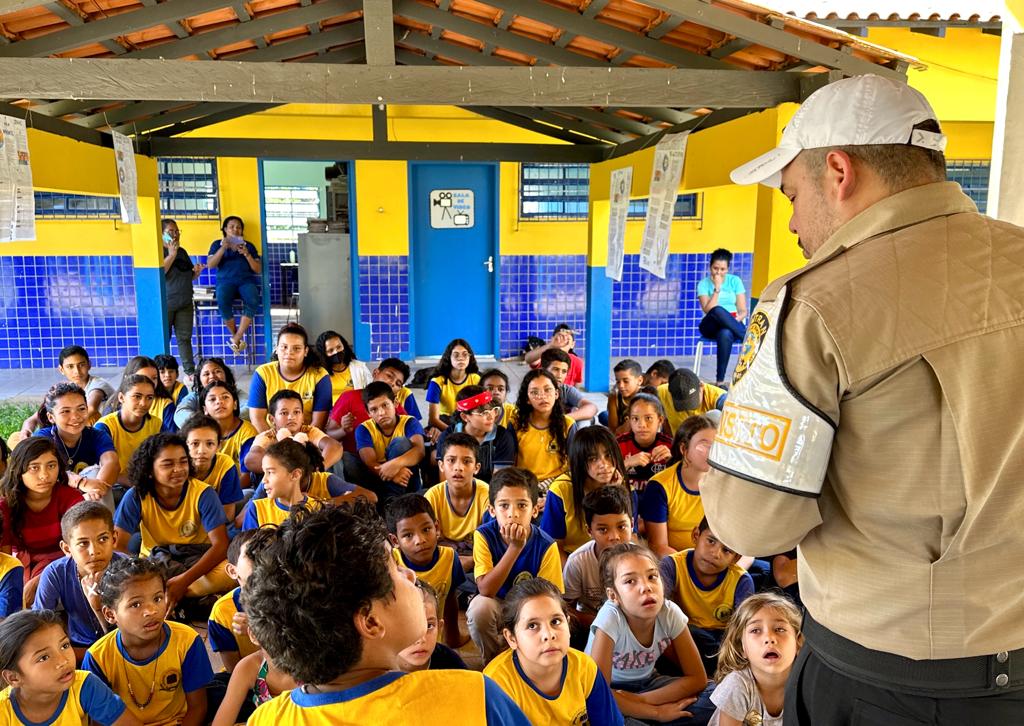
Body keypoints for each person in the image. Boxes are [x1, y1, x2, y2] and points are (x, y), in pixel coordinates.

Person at [704, 74, 1024, 722]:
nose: (792, 221)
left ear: (839, 172)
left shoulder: (814, 304)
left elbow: (749, 522)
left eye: (793, 195)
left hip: (882, 681)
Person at [242, 502, 530, 724]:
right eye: (395, 570)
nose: (411, 576)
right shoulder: (473, 695)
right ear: (370, 621)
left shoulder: (267, 719)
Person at [586, 542, 714, 725]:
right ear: (613, 595)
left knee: (716, 696)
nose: (646, 587)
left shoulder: (669, 612)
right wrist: (656, 713)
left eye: (652, 576)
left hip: (649, 686)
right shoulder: (610, 618)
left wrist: (643, 701)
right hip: (611, 692)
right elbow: (598, 694)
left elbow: (697, 678)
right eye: (630, 581)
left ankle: (645, 716)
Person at [83, 557, 213, 725]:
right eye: (136, 604)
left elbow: (197, 707)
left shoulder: (186, 641)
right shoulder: (97, 658)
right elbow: (99, 720)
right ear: (110, 614)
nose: (151, 611)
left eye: (158, 598)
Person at [485, 577, 624, 725]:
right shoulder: (496, 685)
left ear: (568, 624)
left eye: (556, 621)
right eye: (532, 626)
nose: (548, 634)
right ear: (511, 638)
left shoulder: (584, 668)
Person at [113, 434, 231, 607]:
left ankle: (164, 596)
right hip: (155, 564)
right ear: (149, 470)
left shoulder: (204, 493)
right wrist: (148, 574)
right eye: (168, 464)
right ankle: (190, 599)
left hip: (197, 561)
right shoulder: (136, 495)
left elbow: (220, 545)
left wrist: (184, 580)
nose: (178, 469)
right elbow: (118, 546)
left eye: (183, 461)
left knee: (232, 570)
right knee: (123, 576)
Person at [469, 468, 564, 664]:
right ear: (492, 511)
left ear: (535, 510)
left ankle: (526, 658)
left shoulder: (546, 545)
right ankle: (493, 660)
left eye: (522, 505)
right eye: (504, 506)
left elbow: (549, 599)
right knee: (480, 607)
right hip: (498, 605)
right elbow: (486, 589)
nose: (513, 514)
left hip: (532, 611)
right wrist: (514, 548)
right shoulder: (484, 536)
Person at [0, 609, 136, 726]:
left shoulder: (83, 686)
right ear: (13, 677)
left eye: (64, 646)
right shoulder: (3, 711)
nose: (63, 661)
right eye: (44, 657)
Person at [661, 517, 754, 676]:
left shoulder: (742, 581)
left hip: (720, 644)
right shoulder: (672, 565)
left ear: (736, 558)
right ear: (696, 535)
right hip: (682, 635)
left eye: (727, 550)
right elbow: (661, 615)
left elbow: (741, 631)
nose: (715, 553)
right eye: (711, 541)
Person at [33, 502, 125, 659]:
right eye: (83, 543)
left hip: (124, 648)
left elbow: (134, 633)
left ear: (114, 539)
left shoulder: (127, 570)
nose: (94, 551)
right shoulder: (56, 573)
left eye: (102, 539)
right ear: (67, 549)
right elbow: (39, 624)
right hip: (78, 651)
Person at [0, 438, 82, 608]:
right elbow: (5, 556)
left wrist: (40, 580)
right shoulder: (5, 506)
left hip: (68, 561)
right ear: (19, 471)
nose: (44, 475)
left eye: (51, 466)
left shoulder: (71, 499)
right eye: (34, 468)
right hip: (22, 565)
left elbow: (81, 548)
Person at [708, 593, 802, 726]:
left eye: (779, 629)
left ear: (798, 642)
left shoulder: (807, 684)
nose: (769, 638)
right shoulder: (737, 685)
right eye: (756, 630)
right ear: (742, 648)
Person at [385, 494, 466, 649]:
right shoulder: (391, 563)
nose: (420, 540)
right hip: (401, 643)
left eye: (426, 529)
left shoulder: (449, 558)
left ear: (436, 528)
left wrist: (453, 636)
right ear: (395, 541)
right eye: (408, 535)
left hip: (434, 638)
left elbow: (450, 598)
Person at [541, 426, 629, 561]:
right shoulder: (561, 490)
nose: (603, 464)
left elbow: (628, 538)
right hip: (571, 560)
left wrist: (613, 494)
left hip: (615, 558)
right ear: (580, 462)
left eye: (608, 455)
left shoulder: (624, 488)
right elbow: (553, 547)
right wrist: (569, 577)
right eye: (593, 458)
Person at [562, 486, 633, 647]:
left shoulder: (642, 560)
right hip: (590, 627)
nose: (614, 537)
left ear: (632, 524)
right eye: (603, 530)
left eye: (621, 527)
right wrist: (601, 624)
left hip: (632, 627)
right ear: (589, 531)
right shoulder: (578, 562)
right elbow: (566, 608)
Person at [641, 415, 717, 558]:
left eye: (715, 446)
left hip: (716, 558)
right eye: (704, 446)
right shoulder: (659, 487)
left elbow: (736, 538)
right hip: (675, 563)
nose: (712, 452)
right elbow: (659, 546)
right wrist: (691, 568)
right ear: (684, 449)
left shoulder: (723, 484)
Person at [35, 382, 119, 503]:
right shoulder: (43, 438)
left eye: (81, 409)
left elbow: (112, 463)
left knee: (95, 473)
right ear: (51, 417)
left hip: (89, 498)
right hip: (52, 499)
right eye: (65, 411)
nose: (75, 416)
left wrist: (97, 489)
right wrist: (80, 482)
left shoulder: (97, 435)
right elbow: (41, 472)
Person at [424, 432, 491, 572]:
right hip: (444, 560)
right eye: (451, 460)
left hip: (479, 562)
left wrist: (473, 561)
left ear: (477, 468)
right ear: (441, 465)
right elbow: (427, 543)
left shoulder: (487, 495)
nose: (458, 467)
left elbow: (493, 543)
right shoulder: (432, 496)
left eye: (466, 461)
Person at [248, 323, 331, 432]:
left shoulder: (320, 375)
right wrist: (275, 443)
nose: (289, 352)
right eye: (284, 347)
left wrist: (300, 443)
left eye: (296, 348)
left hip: (307, 438)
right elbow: (257, 419)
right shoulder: (262, 373)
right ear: (276, 348)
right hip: (271, 439)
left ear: (305, 351)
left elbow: (318, 423)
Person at [16, 346, 114, 438]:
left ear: (89, 364)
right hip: (69, 430)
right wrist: (26, 430)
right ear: (61, 369)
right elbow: (35, 417)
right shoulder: (65, 390)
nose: (77, 371)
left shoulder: (98, 385)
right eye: (70, 366)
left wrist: (64, 422)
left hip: (99, 432)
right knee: (15, 438)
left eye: (81, 365)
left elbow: (91, 408)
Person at [327, 357, 416, 457]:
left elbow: (413, 440)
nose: (392, 383)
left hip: (389, 465)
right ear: (375, 373)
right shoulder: (349, 398)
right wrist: (343, 430)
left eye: (398, 383)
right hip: (354, 463)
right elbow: (328, 435)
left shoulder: (397, 409)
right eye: (389, 376)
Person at [354, 381, 426, 501]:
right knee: (347, 459)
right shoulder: (363, 429)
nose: (381, 413)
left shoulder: (409, 422)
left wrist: (394, 465)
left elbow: (420, 451)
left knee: (401, 443)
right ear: (368, 413)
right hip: (379, 480)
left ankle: (391, 502)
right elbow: (370, 462)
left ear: (395, 403)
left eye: (385, 405)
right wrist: (393, 474)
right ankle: (379, 501)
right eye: (374, 410)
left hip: (408, 480)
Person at [243, 389, 342, 475]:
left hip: (308, 478)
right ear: (272, 419)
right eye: (284, 413)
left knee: (337, 463)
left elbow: (335, 446)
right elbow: (251, 460)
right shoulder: (268, 436)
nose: (291, 417)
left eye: (296, 412)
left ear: (302, 417)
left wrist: (315, 470)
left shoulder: (308, 431)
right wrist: (288, 470)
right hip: (280, 484)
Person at [207, 528, 264, 673]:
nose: (264, 560)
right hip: (248, 677)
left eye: (270, 553)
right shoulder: (222, 612)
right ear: (233, 571)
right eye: (253, 555)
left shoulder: (293, 597)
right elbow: (233, 669)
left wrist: (258, 630)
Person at [511, 369, 577, 494]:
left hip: (558, 485)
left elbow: (576, 464)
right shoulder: (515, 424)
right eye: (535, 392)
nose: (542, 396)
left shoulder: (568, 425)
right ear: (527, 399)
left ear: (556, 394)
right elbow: (508, 464)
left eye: (548, 390)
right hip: (524, 484)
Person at [94, 375, 169, 479]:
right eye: (137, 396)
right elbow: (98, 469)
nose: (143, 403)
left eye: (149, 398)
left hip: (147, 482)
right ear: (121, 397)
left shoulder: (157, 425)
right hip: (113, 485)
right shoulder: (105, 427)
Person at [435, 386, 516, 482]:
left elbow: (499, 482)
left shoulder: (502, 437)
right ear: (465, 417)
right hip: (456, 489)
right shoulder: (447, 437)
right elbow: (446, 481)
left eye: (493, 410)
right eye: (483, 413)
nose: (491, 417)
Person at [207, 215, 261, 354]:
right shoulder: (216, 244)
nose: (235, 230)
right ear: (225, 229)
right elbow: (210, 265)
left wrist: (247, 254)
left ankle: (237, 337)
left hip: (245, 281)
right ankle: (236, 335)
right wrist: (223, 248)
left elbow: (258, 269)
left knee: (253, 299)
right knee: (222, 300)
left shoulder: (248, 246)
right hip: (225, 281)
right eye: (231, 227)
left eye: (238, 227)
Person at [241, 440, 325, 529]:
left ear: (295, 475)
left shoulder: (318, 509)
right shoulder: (256, 509)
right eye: (264, 472)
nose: (264, 480)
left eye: (270, 472)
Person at [696, 249, 748, 388]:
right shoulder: (703, 284)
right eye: (715, 268)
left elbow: (743, 311)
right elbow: (707, 309)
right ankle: (748, 340)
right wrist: (717, 288)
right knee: (717, 310)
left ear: (728, 269)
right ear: (710, 267)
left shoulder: (735, 281)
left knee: (726, 333)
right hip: (710, 324)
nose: (718, 272)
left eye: (723, 269)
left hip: (732, 324)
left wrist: (733, 321)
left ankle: (720, 381)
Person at [180, 414, 244, 521]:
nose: (202, 451)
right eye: (195, 444)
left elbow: (228, 515)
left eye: (209, 444)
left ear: (218, 446)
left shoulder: (225, 464)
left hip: (214, 523)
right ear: (185, 445)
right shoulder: (178, 466)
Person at [162, 219, 203, 377]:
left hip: (185, 302)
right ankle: (163, 372)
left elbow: (186, 275)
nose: (175, 235)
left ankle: (190, 372)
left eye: (177, 231)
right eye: (171, 232)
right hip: (167, 304)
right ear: (162, 235)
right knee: (165, 337)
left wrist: (196, 273)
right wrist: (171, 254)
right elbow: (160, 273)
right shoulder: (159, 252)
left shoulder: (182, 252)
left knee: (185, 338)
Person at [397, 580, 468, 671]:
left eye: (429, 626)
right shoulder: (376, 672)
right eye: (408, 627)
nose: (421, 639)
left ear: (439, 627)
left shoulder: (452, 665)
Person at [201, 380, 257, 488]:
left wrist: (223, 496)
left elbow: (247, 477)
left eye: (225, 397)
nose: (219, 402)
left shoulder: (247, 432)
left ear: (235, 404)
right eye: (212, 399)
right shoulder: (200, 433)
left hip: (237, 488)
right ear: (205, 409)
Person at [618, 392, 673, 497]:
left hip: (658, 501)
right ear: (629, 420)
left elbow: (685, 479)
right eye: (635, 418)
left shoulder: (670, 446)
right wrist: (626, 463)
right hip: (626, 500)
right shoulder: (619, 444)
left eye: (648, 418)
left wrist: (672, 462)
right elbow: (605, 478)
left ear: (660, 420)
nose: (641, 425)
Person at [425, 338, 481, 433]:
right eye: (456, 355)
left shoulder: (476, 379)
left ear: (470, 357)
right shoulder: (437, 382)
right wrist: (454, 432)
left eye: (465, 354)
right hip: (444, 422)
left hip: (468, 419)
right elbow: (433, 419)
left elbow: (481, 410)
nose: (461, 358)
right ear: (448, 358)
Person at [173, 356, 246, 429]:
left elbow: (249, 409)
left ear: (226, 375)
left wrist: (224, 420)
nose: (212, 376)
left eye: (217, 371)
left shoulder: (236, 393)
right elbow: (180, 413)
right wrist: (206, 423)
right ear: (200, 380)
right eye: (206, 374)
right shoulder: (195, 396)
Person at [118, 356, 178, 433]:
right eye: (142, 378)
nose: (149, 383)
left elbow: (170, 439)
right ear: (121, 398)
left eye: (154, 378)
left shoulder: (165, 406)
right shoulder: (108, 422)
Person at [658, 368, 725, 436]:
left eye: (692, 400)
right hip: (679, 443)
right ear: (670, 392)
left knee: (715, 416)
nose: (688, 408)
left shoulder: (719, 399)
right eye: (682, 403)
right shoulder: (662, 392)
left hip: (707, 443)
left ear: (701, 386)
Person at [540, 348, 598, 423]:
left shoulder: (566, 390)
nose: (559, 375)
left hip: (562, 427)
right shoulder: (533, 390)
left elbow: (592, 407)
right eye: (555, 369)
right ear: (543, 370)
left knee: (584, 419)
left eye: (564, 371)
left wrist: (564, 418)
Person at [314, 330, 372, 404]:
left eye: (339, 347)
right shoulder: (318, 373)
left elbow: (371, 394)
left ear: (344, 345)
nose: (336, 352)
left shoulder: (360, 368)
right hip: (329, 414)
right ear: (323, 354)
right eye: (330, 350)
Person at [605, 359, 645, 433]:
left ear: (640, 380)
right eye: (618, 381)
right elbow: (614, 431)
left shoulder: (647, 397)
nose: (621, 386)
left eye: (626, 381)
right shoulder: (614, 398)